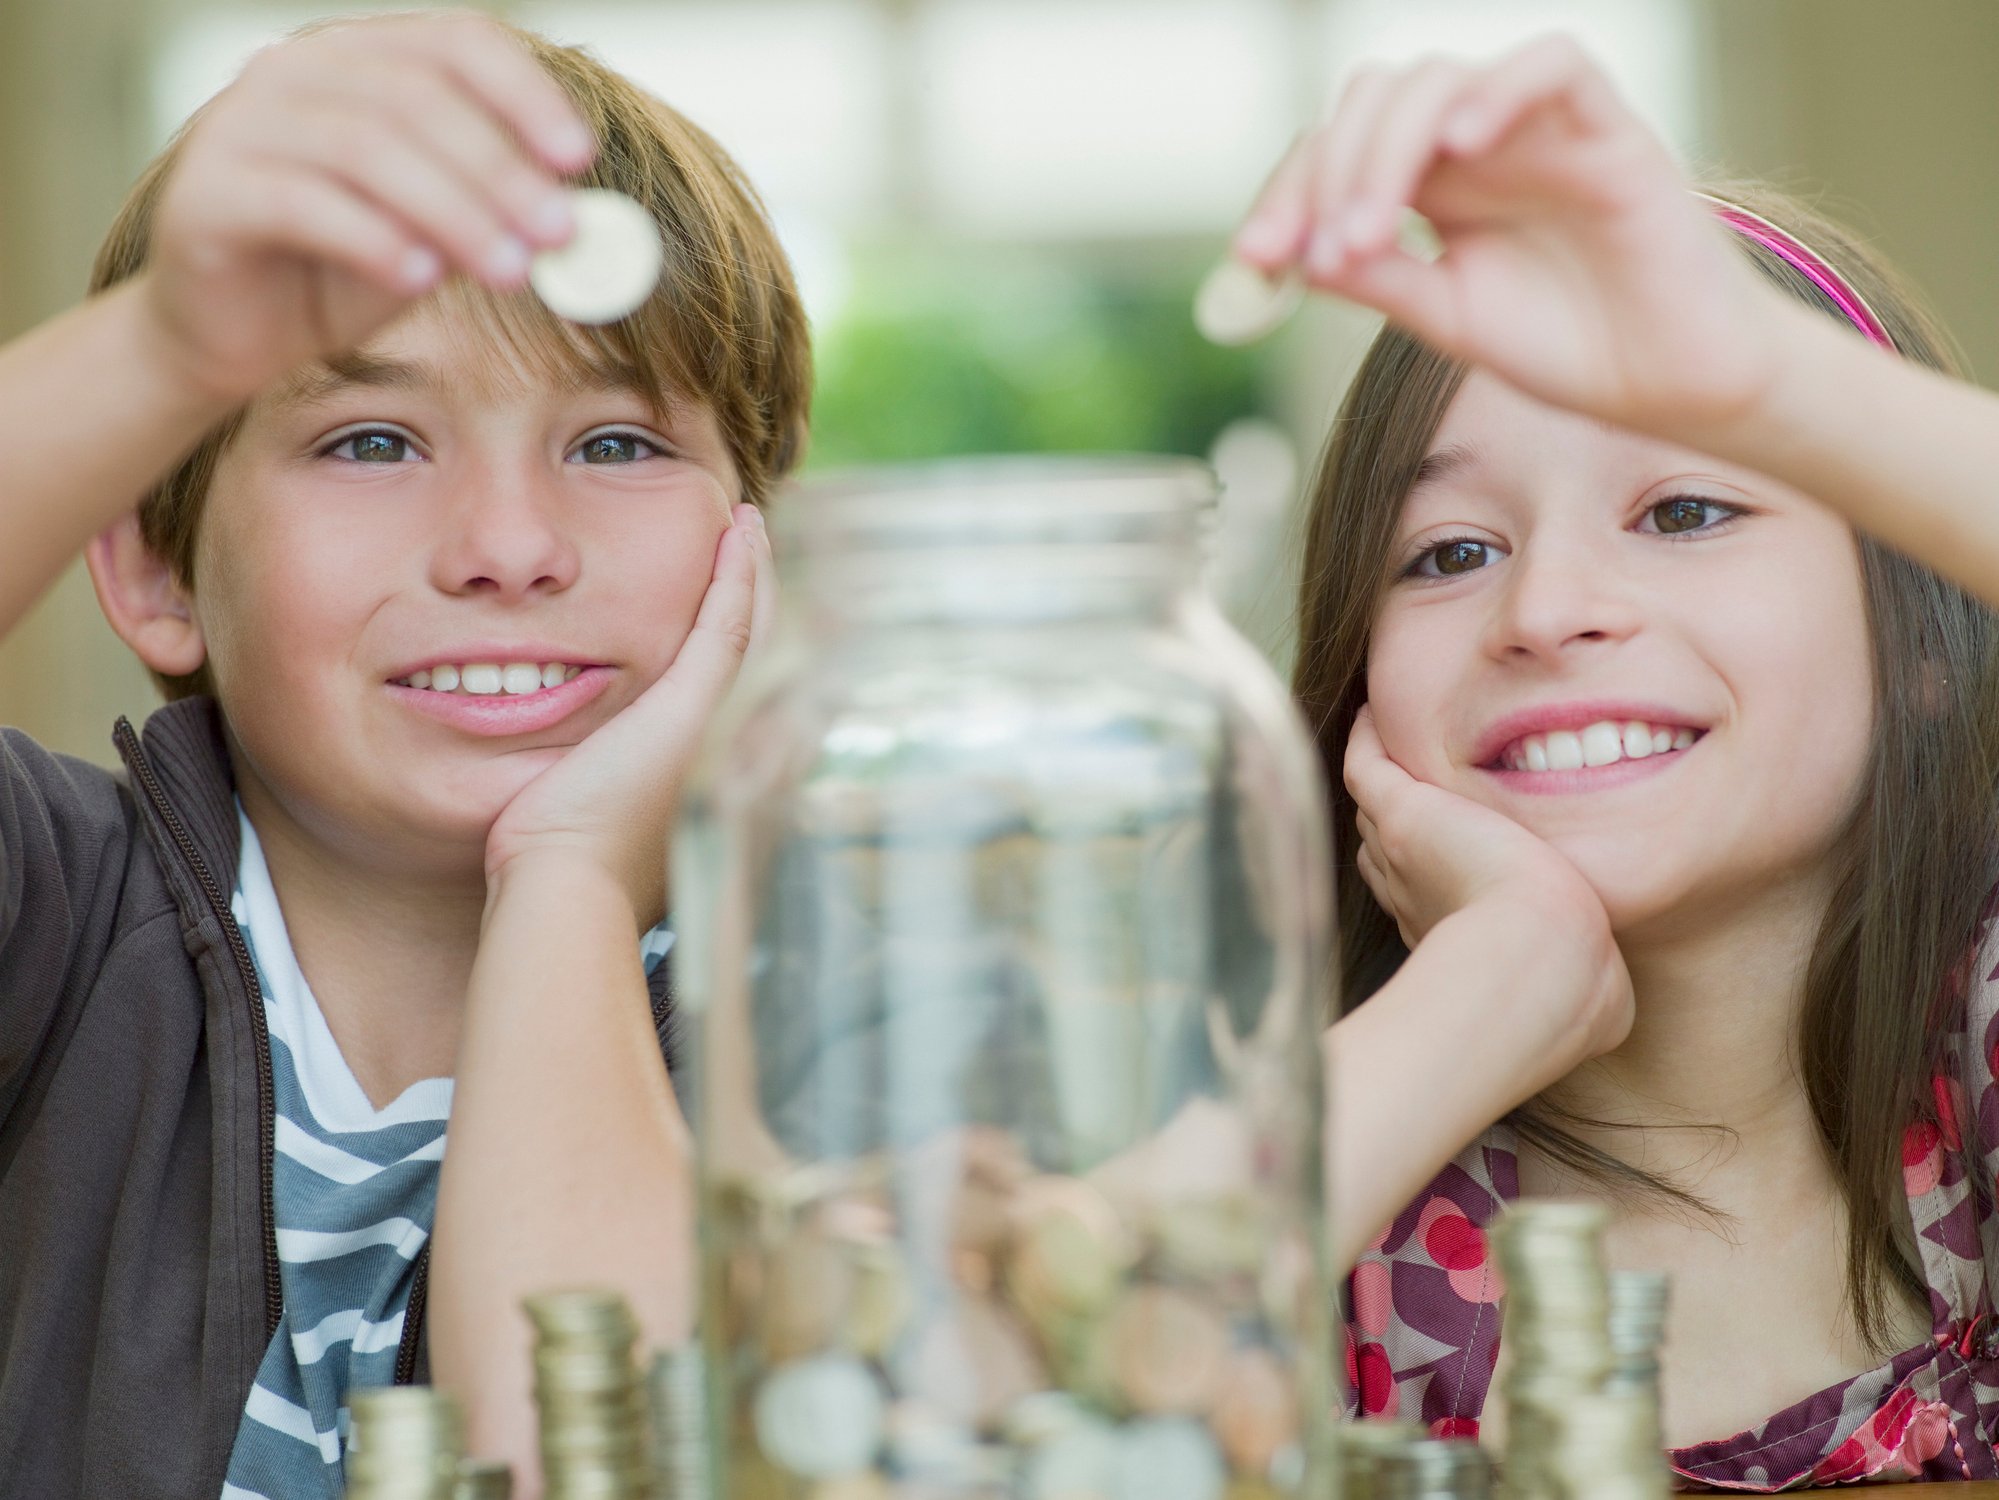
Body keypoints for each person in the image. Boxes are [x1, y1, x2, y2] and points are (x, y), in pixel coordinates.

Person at [0, 12, 808, 1498]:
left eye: (617, 445)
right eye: (372, 441)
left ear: (754, 551)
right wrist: (168, 345)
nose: (508, 549)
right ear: (159, 573)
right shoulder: (45, 924)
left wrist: (569, 881)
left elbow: (586, 1464)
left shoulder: (838, 1035)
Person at [1232, 35, 1999, 1486]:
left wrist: (1767, 376)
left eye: (1689, 508)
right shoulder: (1288, 1139)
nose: (1544, 610)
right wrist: (1493, 980)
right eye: (1451, 551)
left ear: (1927, 647)